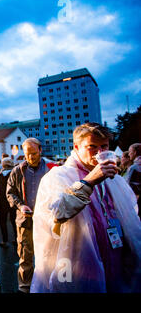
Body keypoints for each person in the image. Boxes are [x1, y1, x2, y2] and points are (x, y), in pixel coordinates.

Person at [31, 123, 141, 293]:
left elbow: (131, 215)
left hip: (116, 259)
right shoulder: (58, 176)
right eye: (92, 147)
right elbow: (58, 212)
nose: (99, 153)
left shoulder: (114, 178)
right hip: (80, 264)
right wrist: (89, 181)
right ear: (76, 147)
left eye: (104, 146)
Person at [6, 138, 54, 293]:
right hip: (25, 220)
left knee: (48, 254)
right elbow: (10, 193)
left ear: (40, 150)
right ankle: (25, 287)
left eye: (34, 153)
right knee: (25, 257)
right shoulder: (17, 170)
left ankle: (47, 284)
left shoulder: (51, 169)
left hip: (47, 220)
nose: (31, 157)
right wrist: (20, 206)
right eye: (27, 154)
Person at [0, 158, 16, 247]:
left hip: (3, 200)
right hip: (13, 200)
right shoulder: (15, 173)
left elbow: (0, 189)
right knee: (14, 220)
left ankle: (5, 240)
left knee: (3, 221)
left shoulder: (1, 174)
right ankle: (16, 238)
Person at [126, 143, 141, 217]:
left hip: (135, 203)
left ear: (135, 152)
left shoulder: (134, 167)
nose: (129, 154)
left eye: (130, 152)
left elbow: (127, 187)